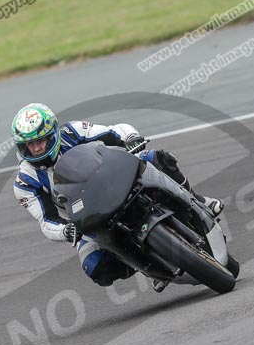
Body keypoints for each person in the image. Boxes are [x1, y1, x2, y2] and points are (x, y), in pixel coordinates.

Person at [11, 102, 224, 289]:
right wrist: (66, 230)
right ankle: (150, 266)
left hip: (115, 180)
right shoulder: (25, 182)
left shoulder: (71, 131)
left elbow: (113, 131)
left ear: (53, 134)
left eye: (41, 141)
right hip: (85, 218)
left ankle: (197, 200)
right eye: (29, 144)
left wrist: (130, 138)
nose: (36, 149)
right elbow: (46, 220)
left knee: (157, 158)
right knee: (96, 267)